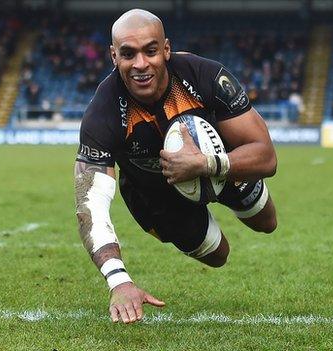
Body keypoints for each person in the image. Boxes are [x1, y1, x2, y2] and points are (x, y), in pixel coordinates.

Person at [74, 9, 277, 324]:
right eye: (128, 54)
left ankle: (230, 191)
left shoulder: (206, 76)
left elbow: (267, 156)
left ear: (165, 49)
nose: (141, 64)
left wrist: (206, 163)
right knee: (218, 256)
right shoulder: (102, 114)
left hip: (221, 164)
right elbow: (90, 206)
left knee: (267, 222)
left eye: (150, 51)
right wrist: (119, 280)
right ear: (114, 56)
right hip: (155, 194)